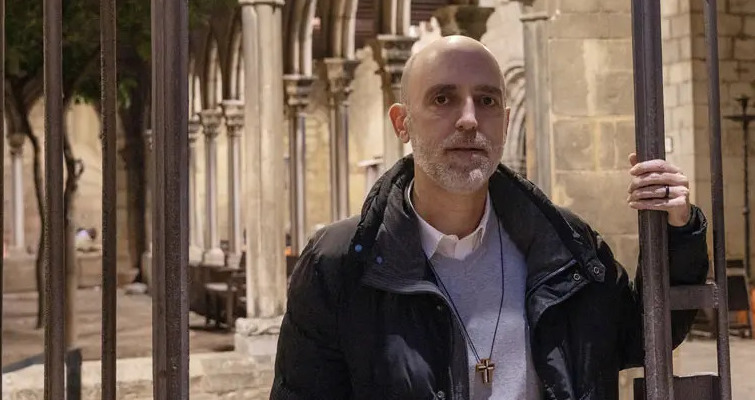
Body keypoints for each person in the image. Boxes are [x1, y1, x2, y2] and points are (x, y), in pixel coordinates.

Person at [270, 36, 708, 400]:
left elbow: (644, 335)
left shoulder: (564, 245)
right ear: (402, 123)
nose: (468, 119)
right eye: (443, 98)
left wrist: (677, 229)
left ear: (506, 121)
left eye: (486, 101)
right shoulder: (341, 264)